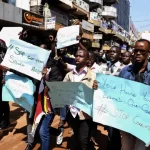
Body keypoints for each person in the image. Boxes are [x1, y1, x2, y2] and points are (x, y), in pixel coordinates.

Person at [64, 49, 98, 150]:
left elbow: (99, 94)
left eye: (81, 56)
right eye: (76, 55)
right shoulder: (70, 75)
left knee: (84, 140)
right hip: (72, 112)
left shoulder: (93, 75)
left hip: (85, 114)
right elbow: (62, 89)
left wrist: (97, 88)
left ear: (87, 59)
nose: (77, 58)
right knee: (76, 137)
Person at [119, 39, 150, 150]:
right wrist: (99, 86)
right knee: (126, 147)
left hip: (145, 122)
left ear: (148, 53)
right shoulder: (125, 72)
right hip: (126, 118)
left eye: (142, 51)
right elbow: (115, 91)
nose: (138, 53)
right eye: (136, 50)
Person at [99, 46, 123, 150]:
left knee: (116, 131)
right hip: (105, 104)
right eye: (110, 52)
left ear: (119, 55)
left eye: (114, 52)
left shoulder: (125, 68)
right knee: (109, 128)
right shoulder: (102, 67)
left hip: (118, 106)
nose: (111, 54)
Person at [0, 39, 10, 129]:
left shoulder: (2, 44)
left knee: (3, 101)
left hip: (2, 78)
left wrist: (4, 78)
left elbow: (4, 65)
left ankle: (5, 121)